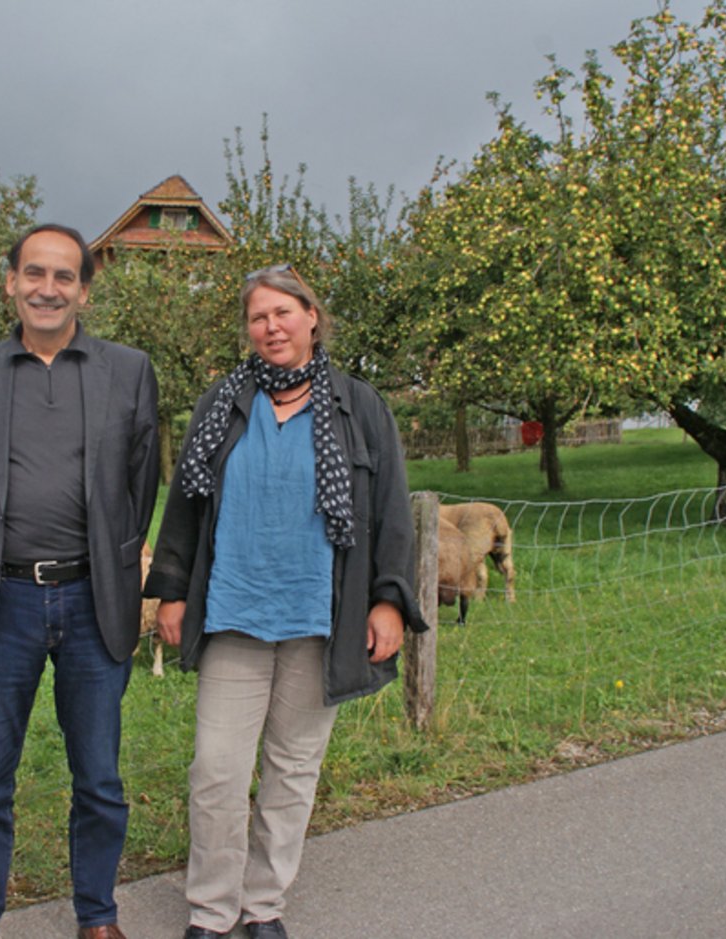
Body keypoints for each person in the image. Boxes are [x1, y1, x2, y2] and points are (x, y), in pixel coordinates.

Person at [144, 264, 426, 939]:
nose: (270, 326)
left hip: (319, 614)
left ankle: (263, 904)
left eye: (283, 312)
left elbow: (391, 512)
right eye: (258, 316)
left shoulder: (359, 406)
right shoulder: (223, 403)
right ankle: (211, 911)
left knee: (292, 770)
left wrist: (388, 600)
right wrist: (172, 590)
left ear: (311, 317)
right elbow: (184, 501)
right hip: (235, 610)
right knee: (216, 768)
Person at [0, 223, 161, 939]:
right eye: (34, 273)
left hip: (94, 599)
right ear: (10, 282)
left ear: (84, 292)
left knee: (99, 776)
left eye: (64, 276)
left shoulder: (128, 370)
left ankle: (97, 915)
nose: (47, 287)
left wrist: (116, 559)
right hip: (3, 599)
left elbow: (141, 481)